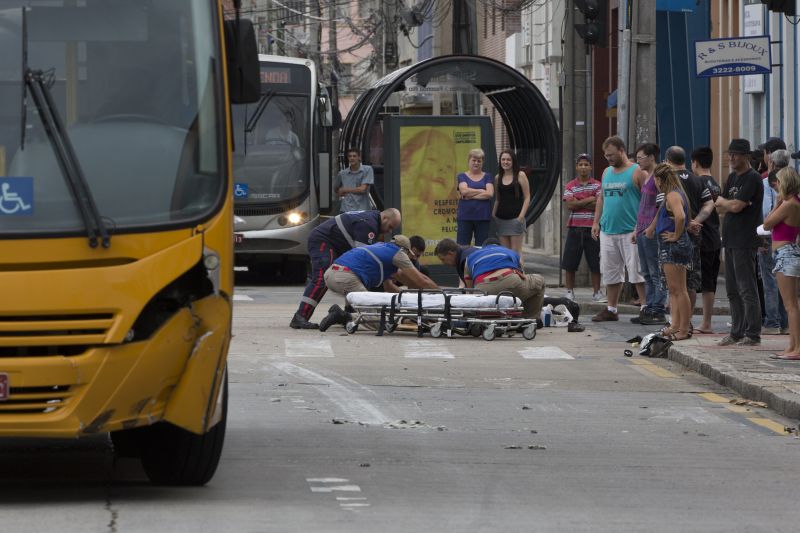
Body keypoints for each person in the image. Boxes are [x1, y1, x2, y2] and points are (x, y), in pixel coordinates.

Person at [290, 208, 401, 329]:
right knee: (321, 278)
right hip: (323, 240)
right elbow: (365, 257)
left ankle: (347, 313)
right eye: (390, 227)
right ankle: (300, 317)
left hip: (336, 243)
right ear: (384, 218)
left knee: (355, 275)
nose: (388, 231)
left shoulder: (372, 218)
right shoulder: (369, 225)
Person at [318, 235, 438, 331]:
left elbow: (391, 285)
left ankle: (347, 313)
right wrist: (441, 295)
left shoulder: (380, 248)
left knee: (360, 292)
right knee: (379, 321)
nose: (413, 259)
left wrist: (407, 297)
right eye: (411, 255)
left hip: (331, 274)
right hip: (346, 277)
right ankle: (342, 316)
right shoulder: (399, 253)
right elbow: (421, 280)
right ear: (406, 251)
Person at [590, 136, 647, 322]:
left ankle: (645, 307)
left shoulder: (637, 171)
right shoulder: (606, 172)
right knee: (610, 271)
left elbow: (648, 201)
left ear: (622, 150)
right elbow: (602, 198)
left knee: (637, 271)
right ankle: (611, 309)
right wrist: (596, 222)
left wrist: (640, 226)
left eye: (612, 155)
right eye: (606, 156)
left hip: (631, 230)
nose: (609, 159)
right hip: (608, 230)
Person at [715, 139, 763, 346]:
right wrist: (730, 204)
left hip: (745, 239)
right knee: (732, 289)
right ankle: (736, 331)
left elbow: (734, 207)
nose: (731, 158)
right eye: (730, 154)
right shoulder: (733, 177)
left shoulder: (752, 178)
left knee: (746, 288)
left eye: (735, 155)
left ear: (746, 156)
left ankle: (752, 333)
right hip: (730, 239)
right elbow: (719, 205)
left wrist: (730, 204)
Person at [665, 146, 715, 330]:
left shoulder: (668, 181)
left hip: (673, 236)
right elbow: (709, 203)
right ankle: (688, 321)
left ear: (667, 160)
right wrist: (697, 220)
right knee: (690, 283)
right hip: (694, 237)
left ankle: (677, 323)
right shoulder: (697, 180)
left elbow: (664, 209)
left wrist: (686, 224)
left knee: (675, 285)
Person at [646, 163, 693, 341]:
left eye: (655, 180)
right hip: (669, 244)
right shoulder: (673, 194)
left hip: (673, 245)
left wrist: (676, 235)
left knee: (679, 289)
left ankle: (683, 328)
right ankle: (675, 325)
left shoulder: (672, 194)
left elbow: (680, 216)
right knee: (673, 289)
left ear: (659, 179)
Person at [764, 167, 800, 360]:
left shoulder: (788, 204)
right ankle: (793, 346)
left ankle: (797, 347)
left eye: (777, 182)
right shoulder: (796, 202)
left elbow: (767, 223)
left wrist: (777, 203)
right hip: (789, 252)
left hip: (785, 253)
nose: (775, 185)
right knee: (793, 303)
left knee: (790, 305)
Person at [463, 239, 545, 320]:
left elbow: (469, 290)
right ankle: (529, 319)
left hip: (482, 289)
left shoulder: (470, 257)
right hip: (508, 282)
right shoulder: (509, 252)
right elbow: (522, 275)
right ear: (500, 246)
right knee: (539, 281)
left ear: (483, 248)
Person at [631, 143, 667, 325]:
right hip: (642, 229)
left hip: (652, 231)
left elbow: (663, 204)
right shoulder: (646, 176)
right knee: (645, 271)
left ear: (652, 157)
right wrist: (636, 228)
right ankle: (650, 306)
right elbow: (643, 205)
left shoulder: (659, 176)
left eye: (641, 157)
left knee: (655, 271)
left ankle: (658, 308)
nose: (638, 161)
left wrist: (653, 226)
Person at [561, 153, 604, 303]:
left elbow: (599, 204)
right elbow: (569, 205)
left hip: (593, 228)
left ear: (591, 167)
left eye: (586, 164)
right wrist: (590, 199)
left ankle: (597, 292)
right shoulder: (570, 185)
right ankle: (569, 291)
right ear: (576, 167)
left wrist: (579, 201)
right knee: (570, 262)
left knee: (595, 262)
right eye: (581, 164)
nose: (583, 167)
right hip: (575, 228)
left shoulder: (598, 185)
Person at [758, 148, 791, 335]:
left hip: (770, 236)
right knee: (786, 280)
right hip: (791, 235)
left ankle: (772, 322)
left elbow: (765, 212)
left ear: (771, 163)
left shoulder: (766, 183)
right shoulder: (795, 182)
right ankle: (785, 323)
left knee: (770, 280)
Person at [690, 146, 722, 334]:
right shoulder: (715, 183)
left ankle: (688, 320)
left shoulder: (697, 183)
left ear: (695, 162)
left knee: (693, 282)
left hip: (701, 237)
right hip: (714, 237)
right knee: (710, 282)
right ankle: (706, 322)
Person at [493, 150, 531, 260]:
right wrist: (494, 215)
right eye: (503, 159)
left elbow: (527, 197)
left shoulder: (520, 175)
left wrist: (521, 217)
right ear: (500, 161)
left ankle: (519, 275)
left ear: (513, 161)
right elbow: (498, 199)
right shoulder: (497, 177)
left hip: (515, 219)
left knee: (516, 251)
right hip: (501, 219)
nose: (505, 162)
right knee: (505, 252)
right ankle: (510, 276)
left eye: (508, 159)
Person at [456, 148, 494, 246]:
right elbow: (464, 191)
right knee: (462, 246)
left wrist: (470, 194)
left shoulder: (488, 176)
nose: (476, 163)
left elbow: (489, 194)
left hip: (483, 217)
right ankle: (463, 262)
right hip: (465, 216)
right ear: (469, 161)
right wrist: (481, 190)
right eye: (474, 160)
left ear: (482, 162)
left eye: (479, 161)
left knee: (481, 247)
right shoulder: (462, 176)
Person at [334, 148, 375, 213]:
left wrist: (344, 189)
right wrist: (340, 192)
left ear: (359, 157)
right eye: (350, 156)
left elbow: (362, 189)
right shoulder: (342, 173)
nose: (352, 158)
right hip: (346, 209)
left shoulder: (368, 170)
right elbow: (336, 188)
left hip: (363, 209)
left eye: (354, 156)